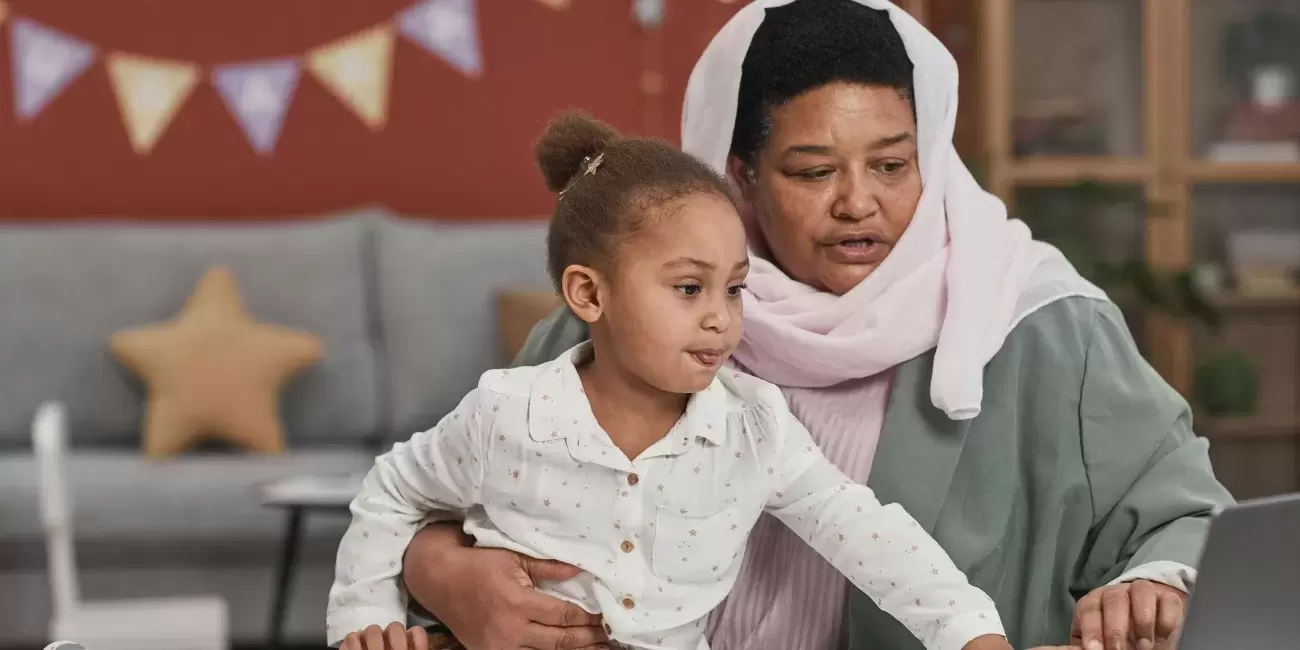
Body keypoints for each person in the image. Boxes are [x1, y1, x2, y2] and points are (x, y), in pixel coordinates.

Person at [399, 2, 1234, 649]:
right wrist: (445, 575)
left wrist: (1157, 582)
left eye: (892, 165)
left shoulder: (1042, 325)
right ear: (741, 174)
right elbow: (435, 492)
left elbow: (1185, 513)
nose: (858, 202)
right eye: (811, 171)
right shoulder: (623, 322)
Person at [328, 111, 1017, 650]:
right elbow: (393, 489)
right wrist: (365, 617)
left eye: (736, 290)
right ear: (589, 295)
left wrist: (971, 634)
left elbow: (867, 534)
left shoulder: (754, 428)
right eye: (689, 288)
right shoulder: (509, 414)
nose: (721, 319)